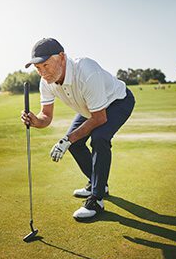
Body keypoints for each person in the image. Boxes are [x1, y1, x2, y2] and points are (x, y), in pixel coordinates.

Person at [21, 38, 135, 220]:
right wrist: (35, 121)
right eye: (38, 68)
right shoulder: (46, 82)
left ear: (62, 57)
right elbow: (46, 117)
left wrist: (66, 140)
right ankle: (98, 183)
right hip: (90, 107)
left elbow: (100, 118)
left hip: (117, 101)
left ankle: (96, 199)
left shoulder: (86, 71)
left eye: (46, 65)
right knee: (74, 143)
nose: (42, 72)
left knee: (99, 138)